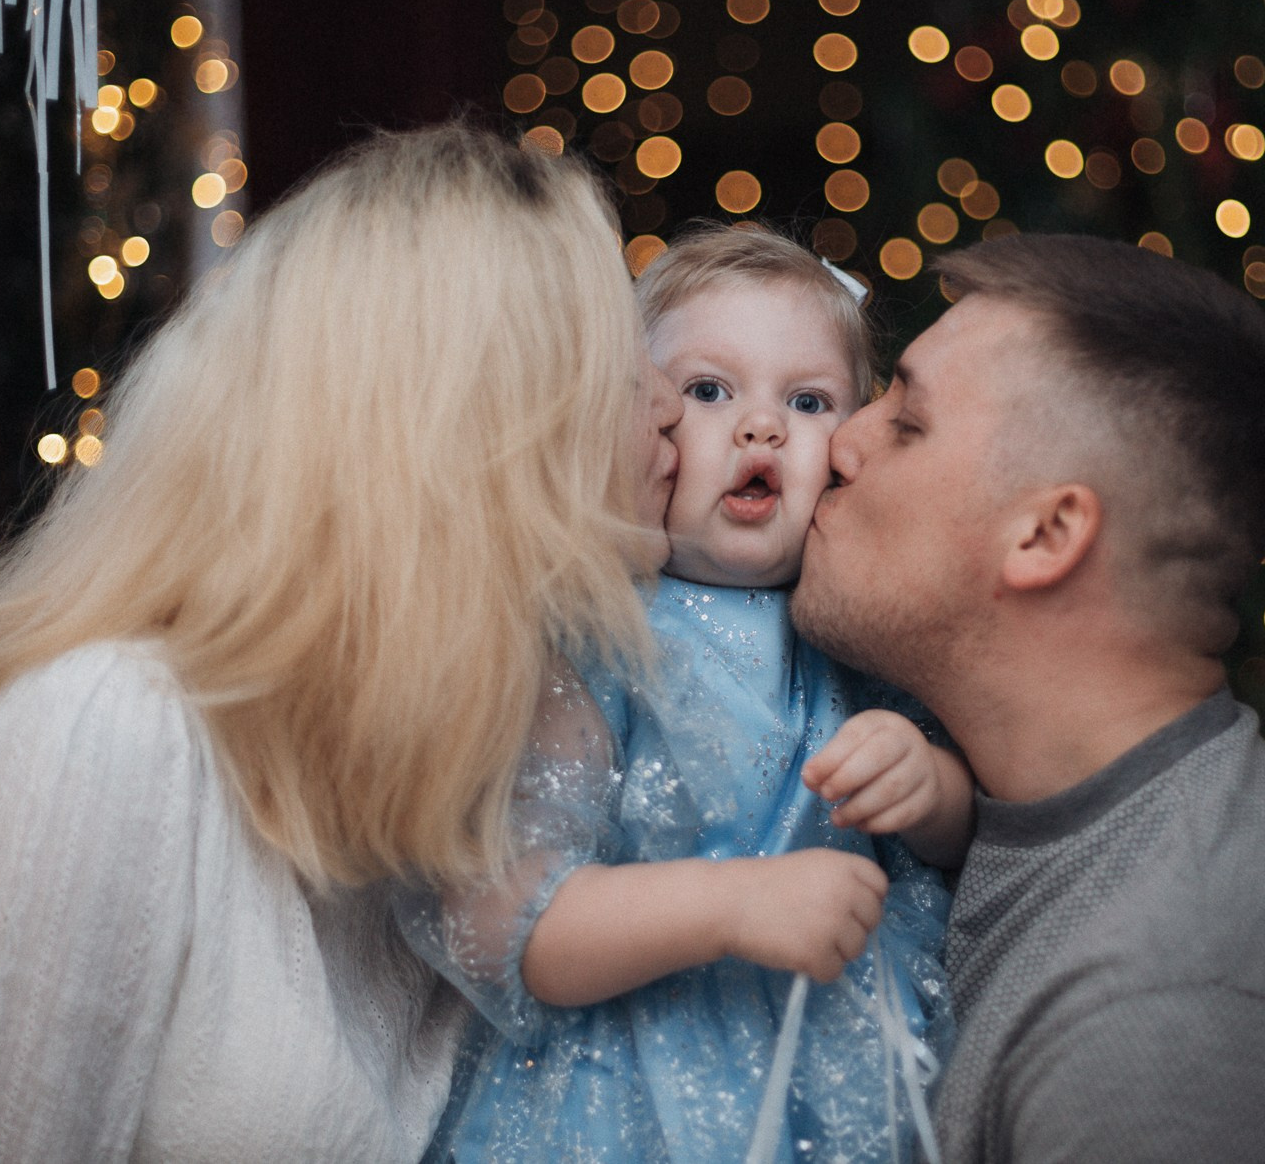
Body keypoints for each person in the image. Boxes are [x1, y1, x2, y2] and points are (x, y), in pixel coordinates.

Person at [0, 124, 685, 1161]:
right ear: (480, 417)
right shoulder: (104, 732)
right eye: (619, 363)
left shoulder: (471, 773)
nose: (670, 408)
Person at [792, 234, 1265, 1163]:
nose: (839, 438)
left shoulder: (1164, 1033)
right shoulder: (1026, 811)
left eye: (907, 423)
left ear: (1047, 533)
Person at [399, 227, 970, 1163]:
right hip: (623, 1096)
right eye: (709, 392)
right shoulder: (597, 637)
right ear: (639, 419)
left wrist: (931, 788)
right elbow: (511, 929)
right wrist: (730, 904)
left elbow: (958, 850)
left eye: (809, 399)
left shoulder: (859, 633)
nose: (762, 427)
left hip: (840, 1083)